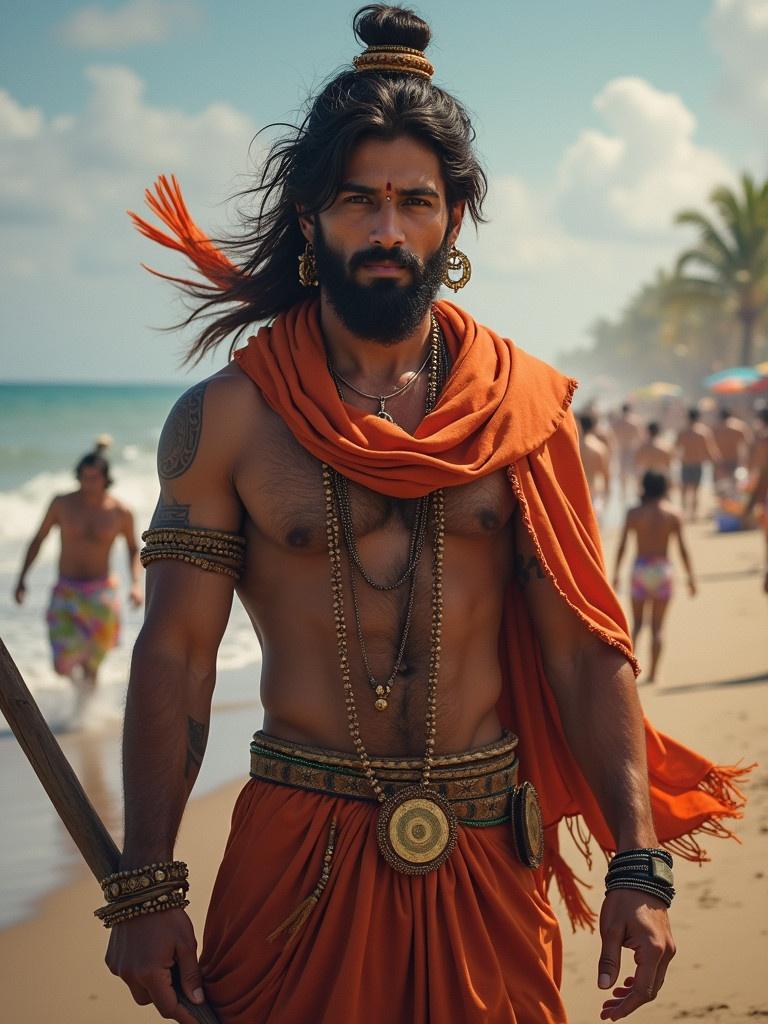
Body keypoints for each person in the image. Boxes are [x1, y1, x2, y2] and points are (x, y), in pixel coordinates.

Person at [105, 8, 749, 1024]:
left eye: (415, 200)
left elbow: (586, 650)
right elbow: (177, 652)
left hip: (490, 852)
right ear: (311, 217)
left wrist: (641, 862)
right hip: (295, 862)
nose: (387, 229)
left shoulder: (524, 411)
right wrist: (147, 883)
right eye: (359, 199)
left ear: (455, 222)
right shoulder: (225, 420)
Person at [14, 448, 143, 708]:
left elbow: (132, 548)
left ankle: (85, 713)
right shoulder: (62, 504)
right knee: (62, 663)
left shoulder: (120, 512)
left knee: (92, 663)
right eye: (84, 477)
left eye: (94, 477)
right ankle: (81, 698)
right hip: (67, 592)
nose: (88, 483)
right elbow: (38, 539)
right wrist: (22, 578)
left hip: (101, 594)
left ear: (106, 479)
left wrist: (136, 585)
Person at [612, 472, 696, 682]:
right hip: (662, 569)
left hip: (641, 568)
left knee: (638, 624)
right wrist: (690, 578)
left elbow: (623, 545)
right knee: (658, 627)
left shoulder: (634, 513)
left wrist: (616, 573)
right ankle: (654, 674)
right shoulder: (673, 513)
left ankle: (629, 670)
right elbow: (683, 549)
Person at [675, 407, 720, 521]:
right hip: (697, 464)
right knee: (695, 490)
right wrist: (717, 462)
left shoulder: (683, 432)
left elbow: (675, 449)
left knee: (685, 490)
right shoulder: (703, 432)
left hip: (685, 463)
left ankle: (684, 513)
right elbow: (710, 450)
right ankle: (693, 514)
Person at [578, 412, 611, 521]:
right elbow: (605, 474)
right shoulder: (599, 448)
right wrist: (607, 492)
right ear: (593, 427)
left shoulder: (574, 447)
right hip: (594, 490)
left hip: (577, 491)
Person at [712, 407, 752, 496]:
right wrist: (746, 460)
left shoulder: (716, 428)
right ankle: (732, 503)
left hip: (719, 460)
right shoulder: (739, 427)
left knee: (720, 485)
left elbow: (711, 446)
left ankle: (724, 504)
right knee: (733, 484)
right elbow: (749, 444)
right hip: (735, 459)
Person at [612, 403, 644, 504]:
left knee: (623, 476)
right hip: (632, 450)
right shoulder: (635, 422)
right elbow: (640, 438)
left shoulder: (617, 423)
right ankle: (637, 496)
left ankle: (623, 497)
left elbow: (612, 438)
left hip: (622, 450)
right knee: (635, 475)